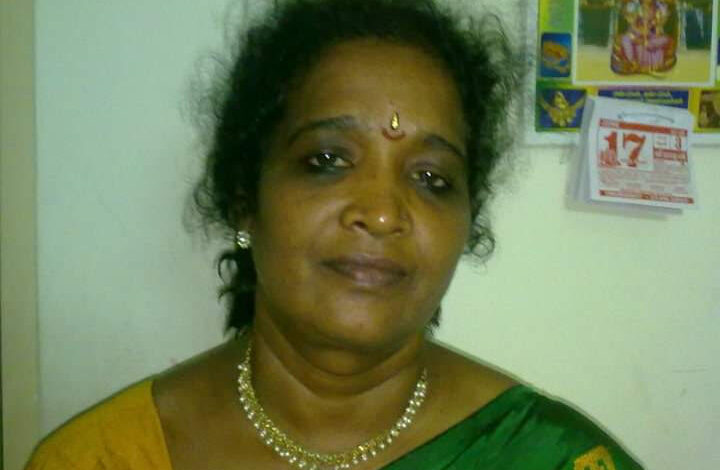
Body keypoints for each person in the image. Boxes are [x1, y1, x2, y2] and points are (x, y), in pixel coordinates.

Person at [26, 0, 644, 469]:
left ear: (466, 224)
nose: (382, 213)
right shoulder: (103, 458)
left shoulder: (548, 457)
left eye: (432, 178)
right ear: (246, 198)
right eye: (326, 160)